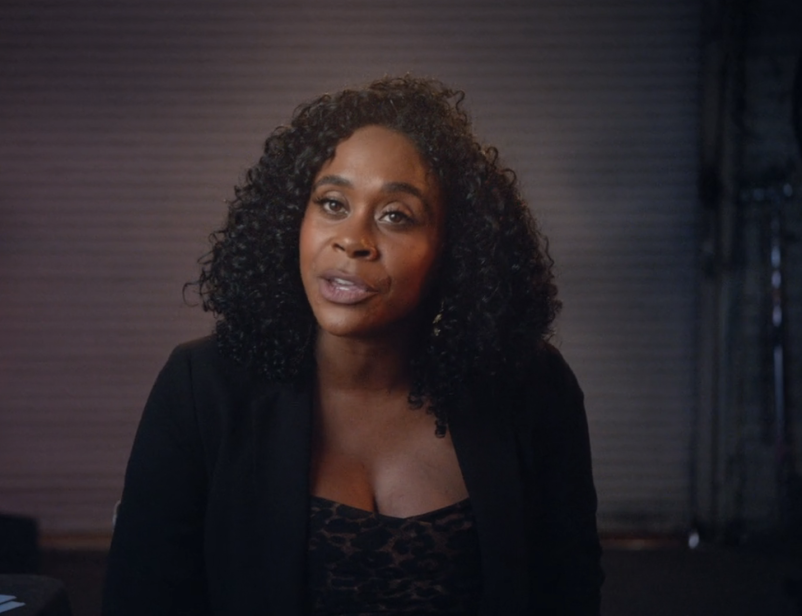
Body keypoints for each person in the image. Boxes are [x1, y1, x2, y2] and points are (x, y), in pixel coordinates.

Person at [102, 76, 603, 616]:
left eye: (396, 215)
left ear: (454, 250)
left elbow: (568, 594)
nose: (354, 239)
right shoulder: (203, 388)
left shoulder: (530, 387)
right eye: (333, 203)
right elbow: (143, 598)